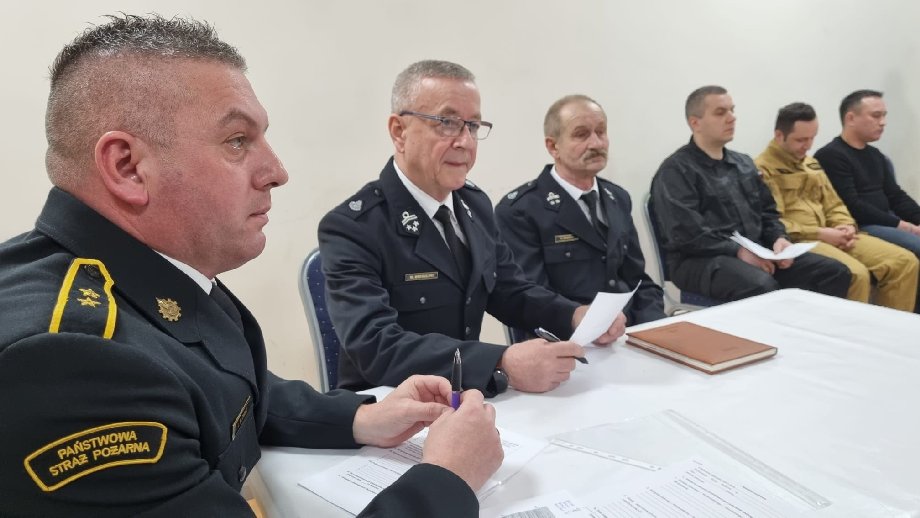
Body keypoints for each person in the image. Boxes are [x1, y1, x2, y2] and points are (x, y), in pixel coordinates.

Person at [0, 15, 502, 517]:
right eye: (238, 140)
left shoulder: (148, 277)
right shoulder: (71, 364)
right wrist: (447, 479)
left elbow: (220, 382)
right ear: (128, 167)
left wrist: (360, 417)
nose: (276, 172)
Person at [318, 61, 626, 396]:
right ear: (399, 131)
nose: (465, 141)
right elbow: (375, 346)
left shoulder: (474, 204)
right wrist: (501, 362)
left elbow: (509, 290)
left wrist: (575, 316)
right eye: (447, 123)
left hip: (466, 395)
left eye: (473, 126)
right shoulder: (353, 227)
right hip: (389, 404)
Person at [650, 85, 850, 301]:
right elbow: (686, 234)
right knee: (761, 285)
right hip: (700, 259)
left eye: (732, 110)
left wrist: (779, 239)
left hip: (756, 250)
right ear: (695, 123)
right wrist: (738, 251)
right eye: (720, 112)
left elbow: (768, 212)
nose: (731, 118)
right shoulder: (676, 170)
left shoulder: (743, 163)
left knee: (834, 272)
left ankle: (804, 324)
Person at [494, 94, 665, 325]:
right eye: (581, 134)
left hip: (628, 329)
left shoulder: (617, 197)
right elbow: (530, 298)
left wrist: (655, 325)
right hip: (568, 335)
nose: (596, 143)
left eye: (601, 132)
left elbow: (638, 280)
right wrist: (589, 325)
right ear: (553, 146)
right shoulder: (521, 210)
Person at [755, 102, 918, 311]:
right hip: (802, 239)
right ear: (779, 136)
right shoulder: (763, 169)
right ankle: (853, 330)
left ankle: (891, 329)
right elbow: (773, 221)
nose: (808, 146)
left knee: (904, 262)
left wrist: (845, 224)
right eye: (801, 140)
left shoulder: (810, 164)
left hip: (835, 233)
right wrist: (821, 233)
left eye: (812, 138)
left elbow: (834, 203)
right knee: (856, 274)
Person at [814, 90, 920, 263]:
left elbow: (896, 196)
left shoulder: (876, 155)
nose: (883, 122)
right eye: (876, 116)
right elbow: (852, 205)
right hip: (859, 225)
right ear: (850, 118)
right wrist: (904, 226)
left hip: (887, 220)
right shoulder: (830, 156)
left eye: (884, 116)